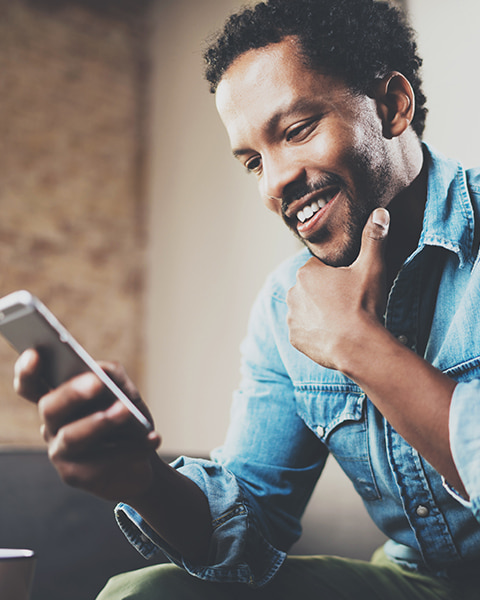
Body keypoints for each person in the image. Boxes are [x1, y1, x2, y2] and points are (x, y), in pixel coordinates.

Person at [14, 0, 480, 598]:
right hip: (419, 583)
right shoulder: (285, 305)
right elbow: (250, 528)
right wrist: (145, 480)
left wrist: (358, 344)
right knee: (146, 593)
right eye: (253, 161)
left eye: (297, 130)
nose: (275, 183)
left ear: (391, 106)